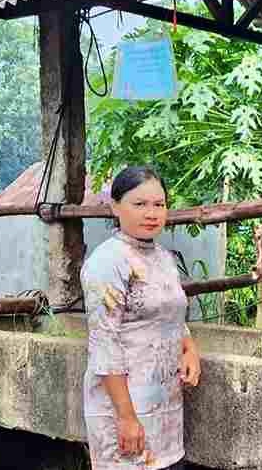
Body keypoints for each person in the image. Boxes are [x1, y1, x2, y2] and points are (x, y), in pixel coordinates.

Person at [81, 166, 201, 470]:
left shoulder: (163, 258)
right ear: (115, 206)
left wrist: (190, 348)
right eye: (140, 204)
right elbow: (103, 344)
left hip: (165, 410)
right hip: (124, 410)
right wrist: (125, 418)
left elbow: (172, 311)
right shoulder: (107, 262)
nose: (151, 213)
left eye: (159, 205)